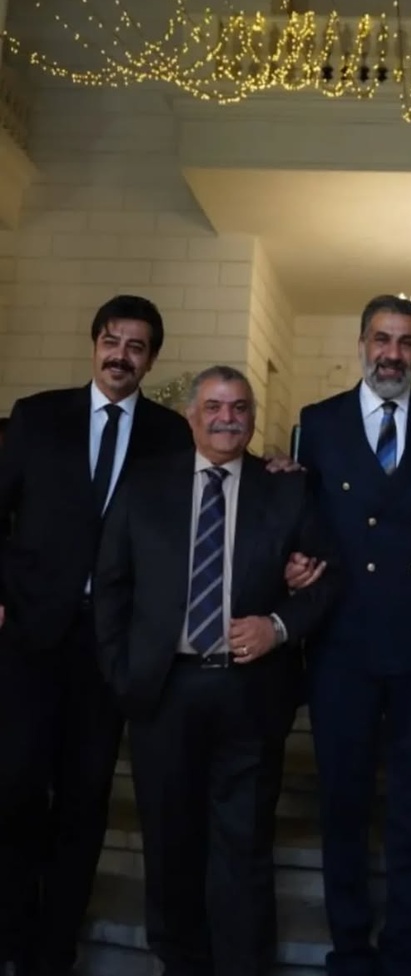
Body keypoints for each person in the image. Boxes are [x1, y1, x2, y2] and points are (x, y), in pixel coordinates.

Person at [93, 365, 337, 976]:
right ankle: (181, 963)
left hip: (250, 691)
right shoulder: (144, 484)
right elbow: (112, 585)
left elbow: (323, 583)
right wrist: (123, 673)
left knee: (244, 844)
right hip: (163, 689)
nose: (227, 418)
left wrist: (276, 626)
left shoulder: (287, 489)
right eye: (214, 407)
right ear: (191, 416)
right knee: (169, 843)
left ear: (253, 418)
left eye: (239, 407)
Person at [0, 294, 192, 976]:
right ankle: (11, 934)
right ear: (94, 345)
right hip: (29, 636)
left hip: (111, 647)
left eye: (136, 346)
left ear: (151, 359)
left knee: (84, 801)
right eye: (112, 341)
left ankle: (53, 952)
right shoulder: (36, 416)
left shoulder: (171, 435)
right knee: (15, 789)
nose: (121, 355)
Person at [290, 295, 411, 976]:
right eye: (381, 339)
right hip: (341, 647)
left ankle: (405, 949)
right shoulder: (317, 423)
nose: (392, 354)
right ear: (361, 343)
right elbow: (301, 517)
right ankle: (349, 948)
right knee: (342, 804)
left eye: (405, 342)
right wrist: (292, 558)